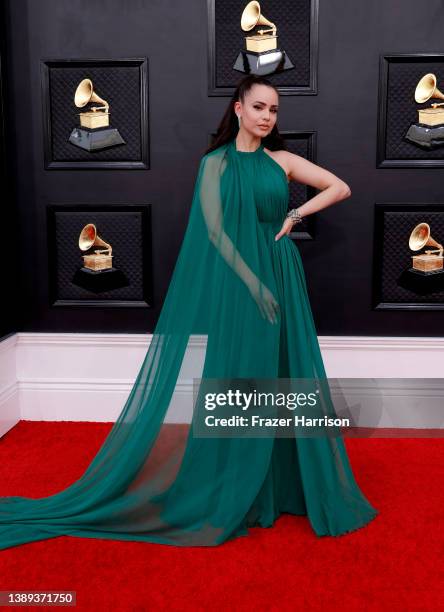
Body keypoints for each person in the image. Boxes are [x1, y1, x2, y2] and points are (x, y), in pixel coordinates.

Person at [0, 75, 378, 551]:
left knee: (288, 374)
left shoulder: (281, 161)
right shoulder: (214, 165)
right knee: (242, 376)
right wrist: (253, 284)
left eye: (274, 110)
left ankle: (284, 484)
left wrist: (294, 216)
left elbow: (339, 187)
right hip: (246, 284)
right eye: (259, 107)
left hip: (283, 274)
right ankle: (241, 485)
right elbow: (217, 234)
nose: (267, 117)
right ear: (237, 108)